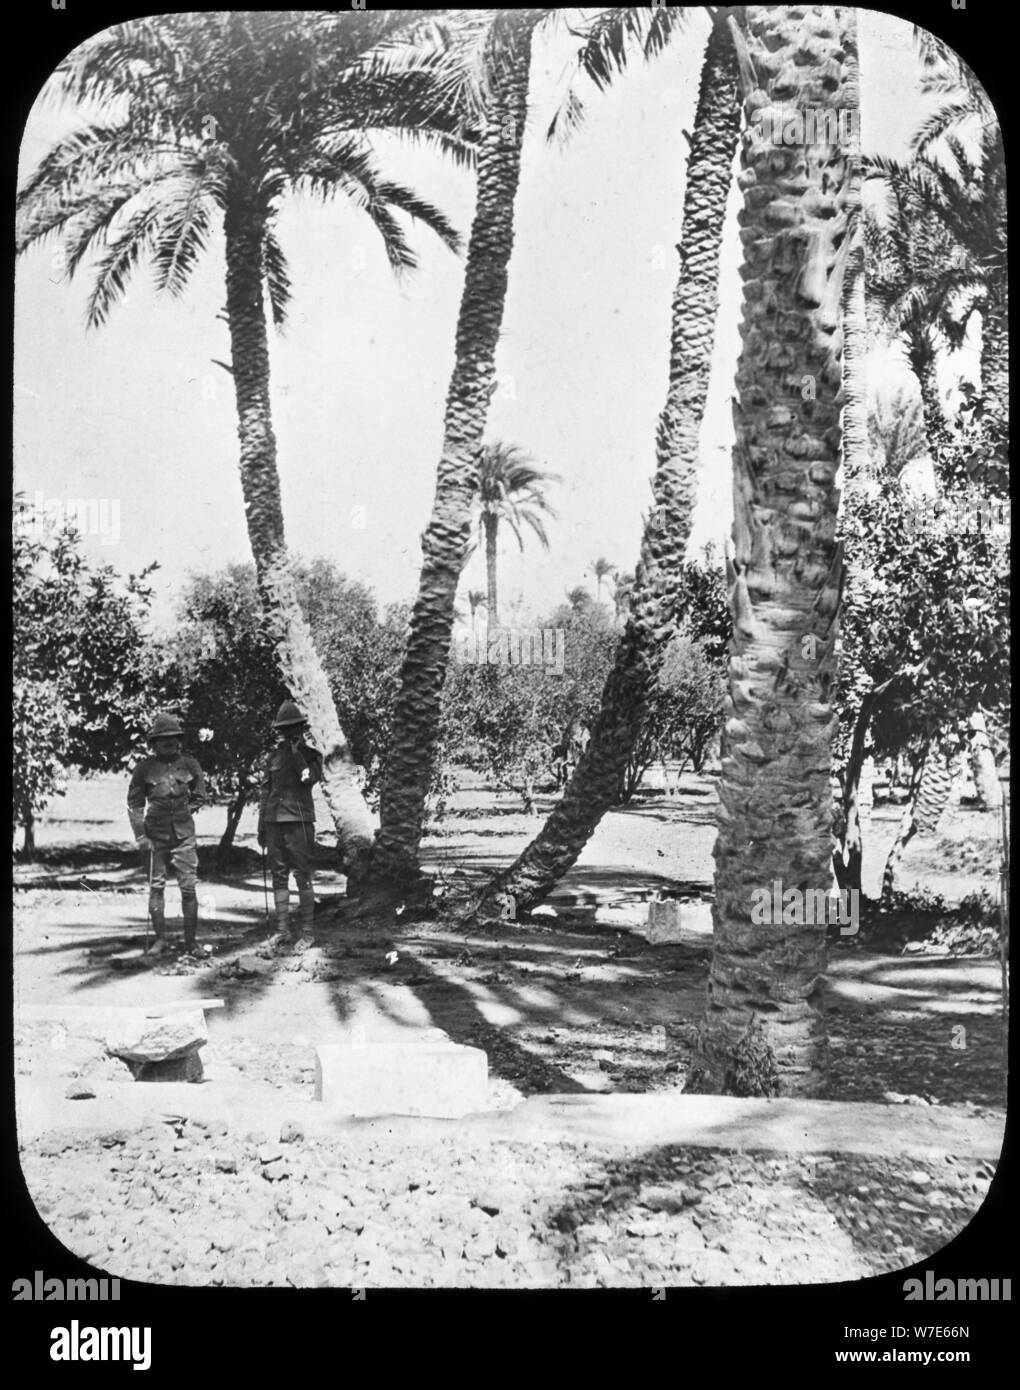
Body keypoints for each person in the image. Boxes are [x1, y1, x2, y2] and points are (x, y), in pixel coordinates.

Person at [127, 712, 206, 958]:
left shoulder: (190, 764)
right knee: (156, 887)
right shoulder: (144, 769)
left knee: (189, 888)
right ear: (154, 743)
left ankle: (190, 942)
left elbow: (200, 795)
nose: (169, 742)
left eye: (173, 738)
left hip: (184, 837)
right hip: (155, 837)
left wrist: (183, 812)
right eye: (163, 739)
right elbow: (134, 805)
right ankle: (160, 940)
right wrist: (142, 837)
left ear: (179, 740)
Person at [258, 700, 322, 951]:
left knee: (302, 874)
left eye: (294, 728)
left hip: (299, 820)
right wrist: (262, 823)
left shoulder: (311, 756)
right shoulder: (272, 757)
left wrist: (297, 756)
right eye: (285, 730)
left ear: (302, 729)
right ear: (279, 732)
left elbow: (308, 779)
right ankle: (283, 930)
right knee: (278, 875)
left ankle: (307, 932)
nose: (290, 734)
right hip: (274, 820)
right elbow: (266, 791)